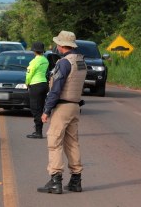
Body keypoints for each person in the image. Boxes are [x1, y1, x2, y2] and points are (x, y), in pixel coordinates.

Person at [37, 31, 87, 194]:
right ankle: (76, 180)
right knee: (72, 143)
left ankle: (55, 180)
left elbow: (56, 89)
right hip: (75, 106)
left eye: (58, 44)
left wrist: (46, 110)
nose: (56, 46)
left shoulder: (64, 62)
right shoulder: (80, 61)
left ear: (61, 45)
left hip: (63, 106)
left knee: (54, 142)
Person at [25, 41, 49, 139]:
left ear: (34, 51)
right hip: (44, 84)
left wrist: (27, 83)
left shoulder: (34, 62)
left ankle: (38, 132)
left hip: (35, 85)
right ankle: (39, 130)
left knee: (35, 109)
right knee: (40, 107)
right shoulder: (45, 60)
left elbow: (29, 74)